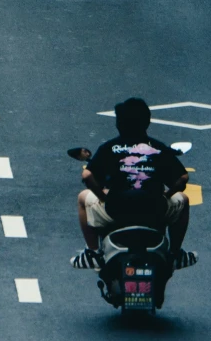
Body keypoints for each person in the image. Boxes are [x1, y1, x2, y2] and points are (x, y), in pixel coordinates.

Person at [74, 99, 193, 267]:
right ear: (147, 122)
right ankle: (175, 254)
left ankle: (93, 253)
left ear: (118, 123)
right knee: (184, 199)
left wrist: (103, 197)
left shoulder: (109, 148)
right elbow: (182, 179)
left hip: (116, 209)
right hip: (155, 210)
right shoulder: (159, 148)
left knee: (82, 198)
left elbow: (87, 176)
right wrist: (167, 195)